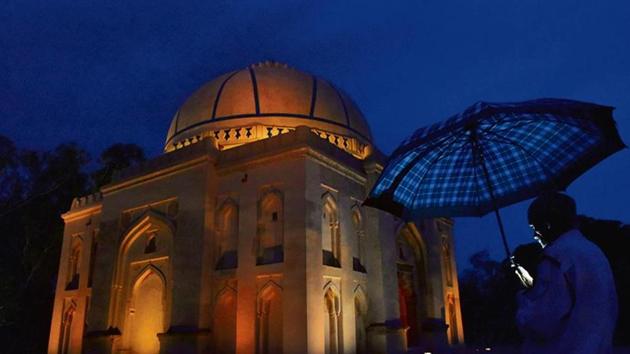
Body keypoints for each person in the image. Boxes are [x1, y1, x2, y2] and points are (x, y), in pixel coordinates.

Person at [513, 192, 618, 354]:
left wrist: (523, 298)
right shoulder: (593, 251)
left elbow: (542, 323)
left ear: (547, 225)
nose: (534, 236)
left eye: (534, 228)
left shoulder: (556, 257)